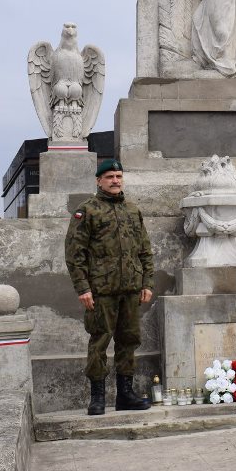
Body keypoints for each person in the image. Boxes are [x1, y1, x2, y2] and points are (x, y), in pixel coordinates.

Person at [65, 159, 154, 415]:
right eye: (109, 177)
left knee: (129, 341)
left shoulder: (132, 210)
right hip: (101, 290)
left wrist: (147, 282)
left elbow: (145, 250)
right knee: (99, 341)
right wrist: (83, 288)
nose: (115, 181)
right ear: (98, 181)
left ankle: (126, 394)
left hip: (130, 289)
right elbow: (75, 253)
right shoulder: (87, 211)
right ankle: (98, 397)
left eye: (118, 176)